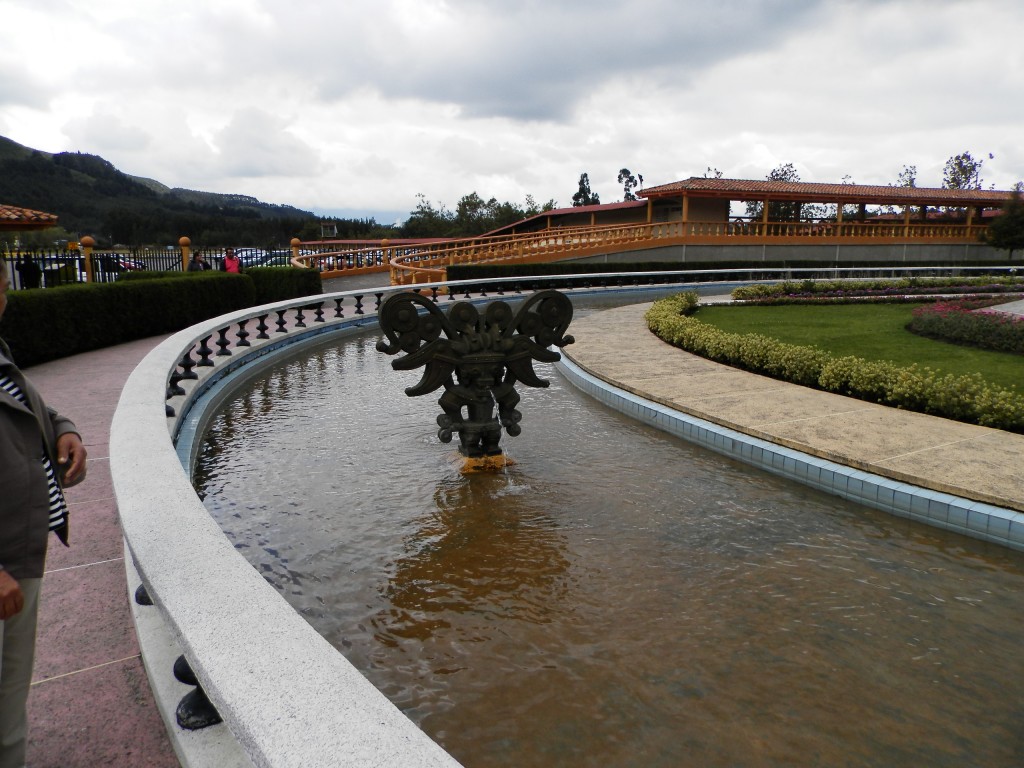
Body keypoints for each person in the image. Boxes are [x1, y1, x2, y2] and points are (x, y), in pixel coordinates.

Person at [0, 258, 87, 768]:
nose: (6, 299)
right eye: (3, 288)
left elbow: (34, 409)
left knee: (10, 698)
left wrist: (64, 429)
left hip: (20, 549)